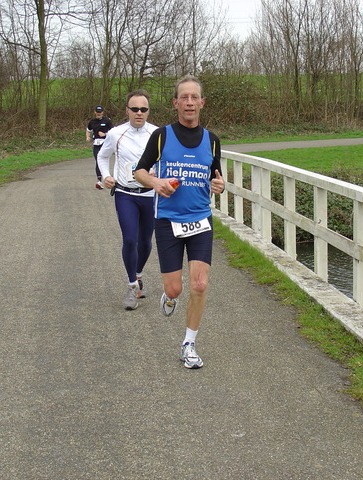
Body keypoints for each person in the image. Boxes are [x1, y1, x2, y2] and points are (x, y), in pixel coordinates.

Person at [134, 75, 225, 369]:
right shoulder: (161, 136)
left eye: (193, 97)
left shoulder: (212, 141)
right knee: (175, 289)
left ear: (201, 103)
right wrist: (155, 182)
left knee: (199, 285)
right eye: (183, 97)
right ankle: (170, 298)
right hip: (168, 222)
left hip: (200, 220)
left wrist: (220, 185)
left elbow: (217, 177)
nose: (189, 102)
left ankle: (189, 344)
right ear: (176, 103)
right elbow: (139, 172)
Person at [97, 90, 158, 310]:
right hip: (125, 194)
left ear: (148, 111)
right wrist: (106, 176)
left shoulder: (158, 133)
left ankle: (138, 274)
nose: (139, 113)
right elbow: (102, 156)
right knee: (130, 239)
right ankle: (132, 285)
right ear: (127, 110)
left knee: (145, 241)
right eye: (134, 109)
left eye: (143, 109)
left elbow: (168, 160)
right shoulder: (116, 133)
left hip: (151, 195)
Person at [86, 105, 113, 189]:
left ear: (102, 112)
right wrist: (87, 136)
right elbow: (88, 130)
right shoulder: (92, 121)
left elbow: (113, 132)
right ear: (95, 112)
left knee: (104, 160)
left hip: (105, 143)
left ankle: (107, 178)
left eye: (100, 112)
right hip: (96, 143)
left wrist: (105, 134)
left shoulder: (107, 121)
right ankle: (99, 181)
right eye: (97, 112)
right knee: (98, 160)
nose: (99, 113)